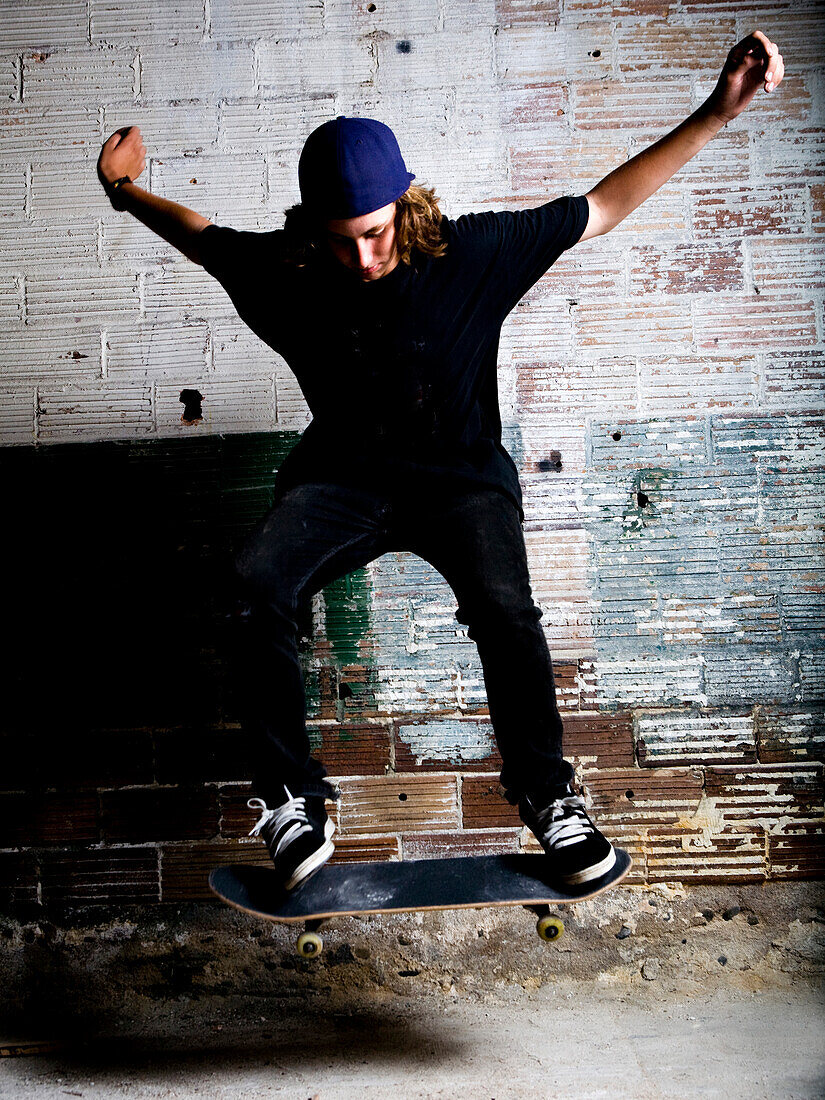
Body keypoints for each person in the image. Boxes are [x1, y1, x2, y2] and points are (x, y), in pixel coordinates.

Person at [97, 31, 783, 892]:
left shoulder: (471, 254)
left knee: (505, 609)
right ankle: (290, 799)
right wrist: (124, 193)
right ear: (313, 227)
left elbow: (603, 205)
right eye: (342, 241)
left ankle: (549, 798)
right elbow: (200, 233)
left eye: (377, 234)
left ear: (406, 207)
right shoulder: (288, 268)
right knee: (254, 585)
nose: (363, 258)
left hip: (461, 481)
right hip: (341, 481)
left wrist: (716, 114)